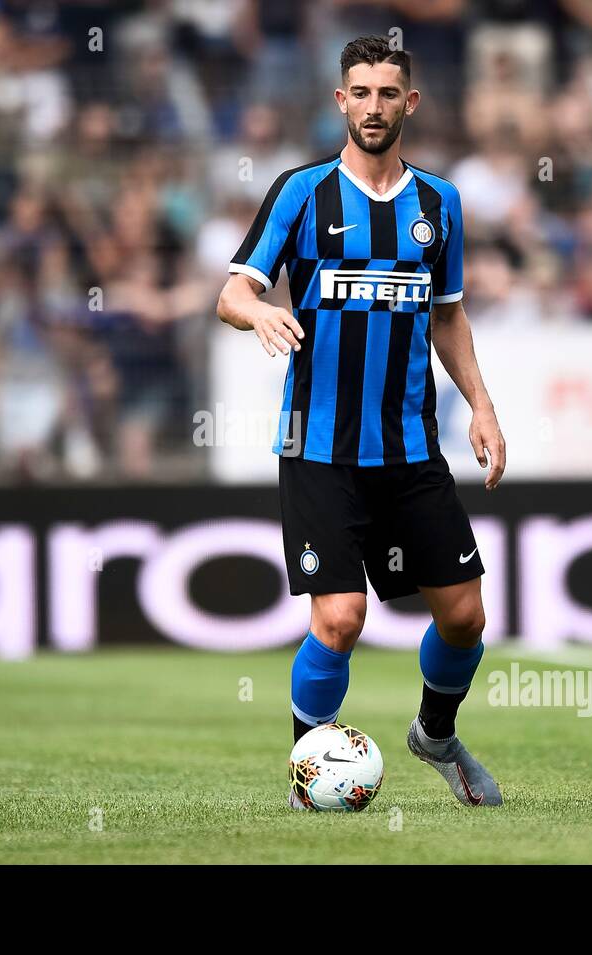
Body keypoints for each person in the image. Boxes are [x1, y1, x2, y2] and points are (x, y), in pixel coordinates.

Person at [216, 36, 507, 810]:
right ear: (339, 101)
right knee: (340, 618)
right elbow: (231, 292)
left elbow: (447, 317)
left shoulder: (439, 203)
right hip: (320, 446)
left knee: (466, 616)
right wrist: (262, 312)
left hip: (411, 449)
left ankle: (435, 734)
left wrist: (481, 404)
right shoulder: (303, 193)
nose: (373, 106)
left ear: (408, 103)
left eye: (387, 93)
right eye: (359, 93)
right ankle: (307, 772)